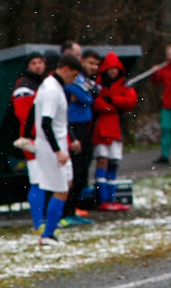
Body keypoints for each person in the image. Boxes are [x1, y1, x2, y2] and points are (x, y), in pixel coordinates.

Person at [33, 53, 85, 246]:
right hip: (51, 147)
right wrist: (57, 150)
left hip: (59, 143)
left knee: (67, 184)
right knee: (60, 189)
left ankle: (50, 230)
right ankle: (47, 235)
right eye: (73, 75)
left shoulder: (54, 86)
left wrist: (69, 140)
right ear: (65, 70)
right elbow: (46, 123)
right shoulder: (51, 91)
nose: (74, 80)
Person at [92, 51, 137, 212]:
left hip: (115, 129)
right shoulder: (98, 85)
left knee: (113, 164)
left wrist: (113, 100)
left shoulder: (123, 84)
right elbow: (97, 104)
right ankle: (102, 199)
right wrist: (114, 106)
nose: (113, 72)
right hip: (101, 128)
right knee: (102, 162)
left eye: (115, 68)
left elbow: (130, 101)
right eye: (110, 68)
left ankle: (110, 199)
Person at [63, 49, 101, 224]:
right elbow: (86, 97)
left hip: (85, 126)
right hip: (73, 126)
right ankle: (65, 211)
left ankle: (73, 209)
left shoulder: (85, 79)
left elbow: (93, 93)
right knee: (75, 170)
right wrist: (88, 94)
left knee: (83, 170)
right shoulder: (71, 79)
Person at [12, 52, 46, 231]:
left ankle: (44, 219)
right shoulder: (24, 87)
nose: (38, 66)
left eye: (40, 62)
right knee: (37, 180)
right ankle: (38, 222)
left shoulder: (41, 84)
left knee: (45, 180)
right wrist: (36, 137)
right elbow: (25, 116)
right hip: (32, 140)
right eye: (34, 62)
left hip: (44, 138)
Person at [148, 44, 171, 164]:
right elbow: (156, 81)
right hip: (167, 105)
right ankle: (165, 155)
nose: (170, 56)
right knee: (166, 129)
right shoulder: (165, 69)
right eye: (169, 54)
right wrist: (154, 72)